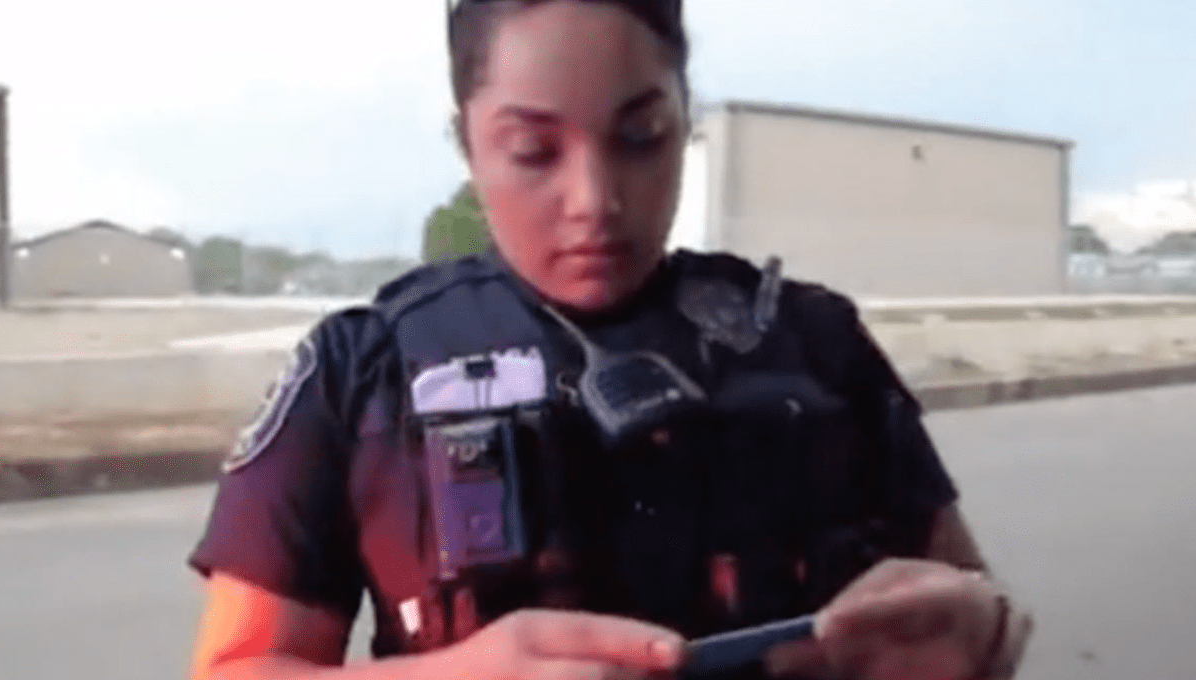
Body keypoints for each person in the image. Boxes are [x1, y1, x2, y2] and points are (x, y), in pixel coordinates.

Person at [185, 1, 1034, 679]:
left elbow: (970, 599)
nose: (595, 199)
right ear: (468, 145)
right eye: (532, 150)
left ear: (684, 119)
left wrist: (976, 634)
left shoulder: (816, 342)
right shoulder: (362, 370)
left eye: (640, 138)